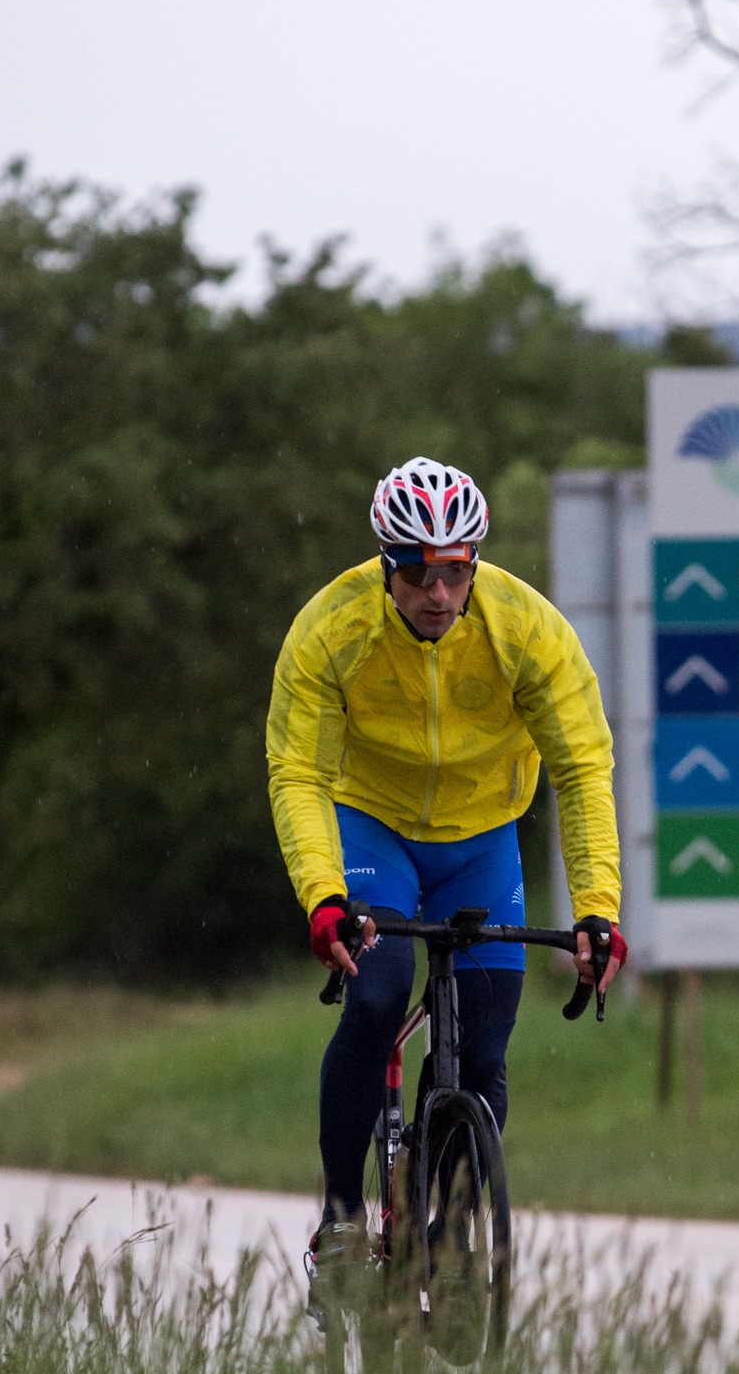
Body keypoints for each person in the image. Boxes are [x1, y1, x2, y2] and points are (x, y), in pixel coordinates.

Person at [266, 457, 625, 1292]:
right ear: (388, 567)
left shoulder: (526, 629)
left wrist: (597, 910)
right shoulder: (331, 629)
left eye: (456, 570)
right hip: (372, 827)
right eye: (421, 573)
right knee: (382, 989)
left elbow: (583, 769)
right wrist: (323, 898)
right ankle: (342, 1219)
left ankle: (451, 1231)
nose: (439, 591)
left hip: (480, 838)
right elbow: (299, 774)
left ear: (474, 565)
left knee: (487, 1042)